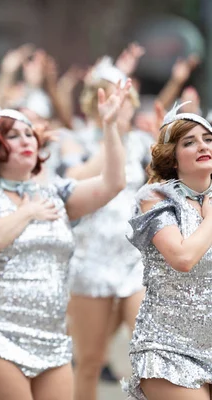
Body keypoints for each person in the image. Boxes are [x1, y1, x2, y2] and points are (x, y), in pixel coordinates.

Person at [0, 80, 131, 400]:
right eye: (13, 136)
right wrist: (25, 212)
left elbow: (113, 184)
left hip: (51, 337)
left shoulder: (56, 192)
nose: (26, 140)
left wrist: (110, 127)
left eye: (29, 134)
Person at [60, 58, 152, 398]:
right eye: (113, 98)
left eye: (125, 99)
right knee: (90, 359)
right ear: (96, 102)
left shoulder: (143, 143)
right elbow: (72, 180)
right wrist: (111, 133)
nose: (121, 105)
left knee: (150, 348)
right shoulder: (78, 139)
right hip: (91, 262)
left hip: (135, 262)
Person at [123, 102, 212, 400]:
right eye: (189, 142)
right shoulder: (156, 198)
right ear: (172, 158)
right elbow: (183, 258)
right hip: (169, 347)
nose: (202, 145)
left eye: (208, 139)